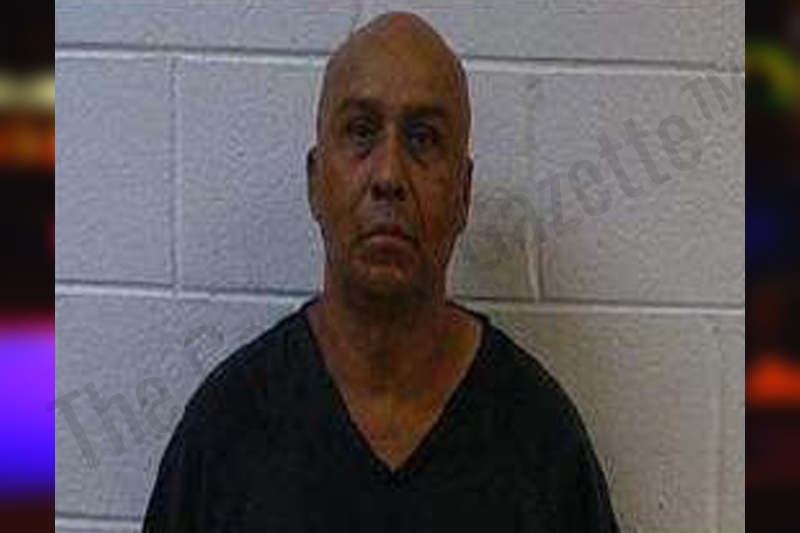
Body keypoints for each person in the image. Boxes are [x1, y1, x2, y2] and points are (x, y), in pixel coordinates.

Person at [143, 12, 619, 532]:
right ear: (315, 182)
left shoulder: (541, 440)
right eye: (361, 132)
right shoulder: (226, 432)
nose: (389, 175)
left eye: (424, 139)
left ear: (463, 194)